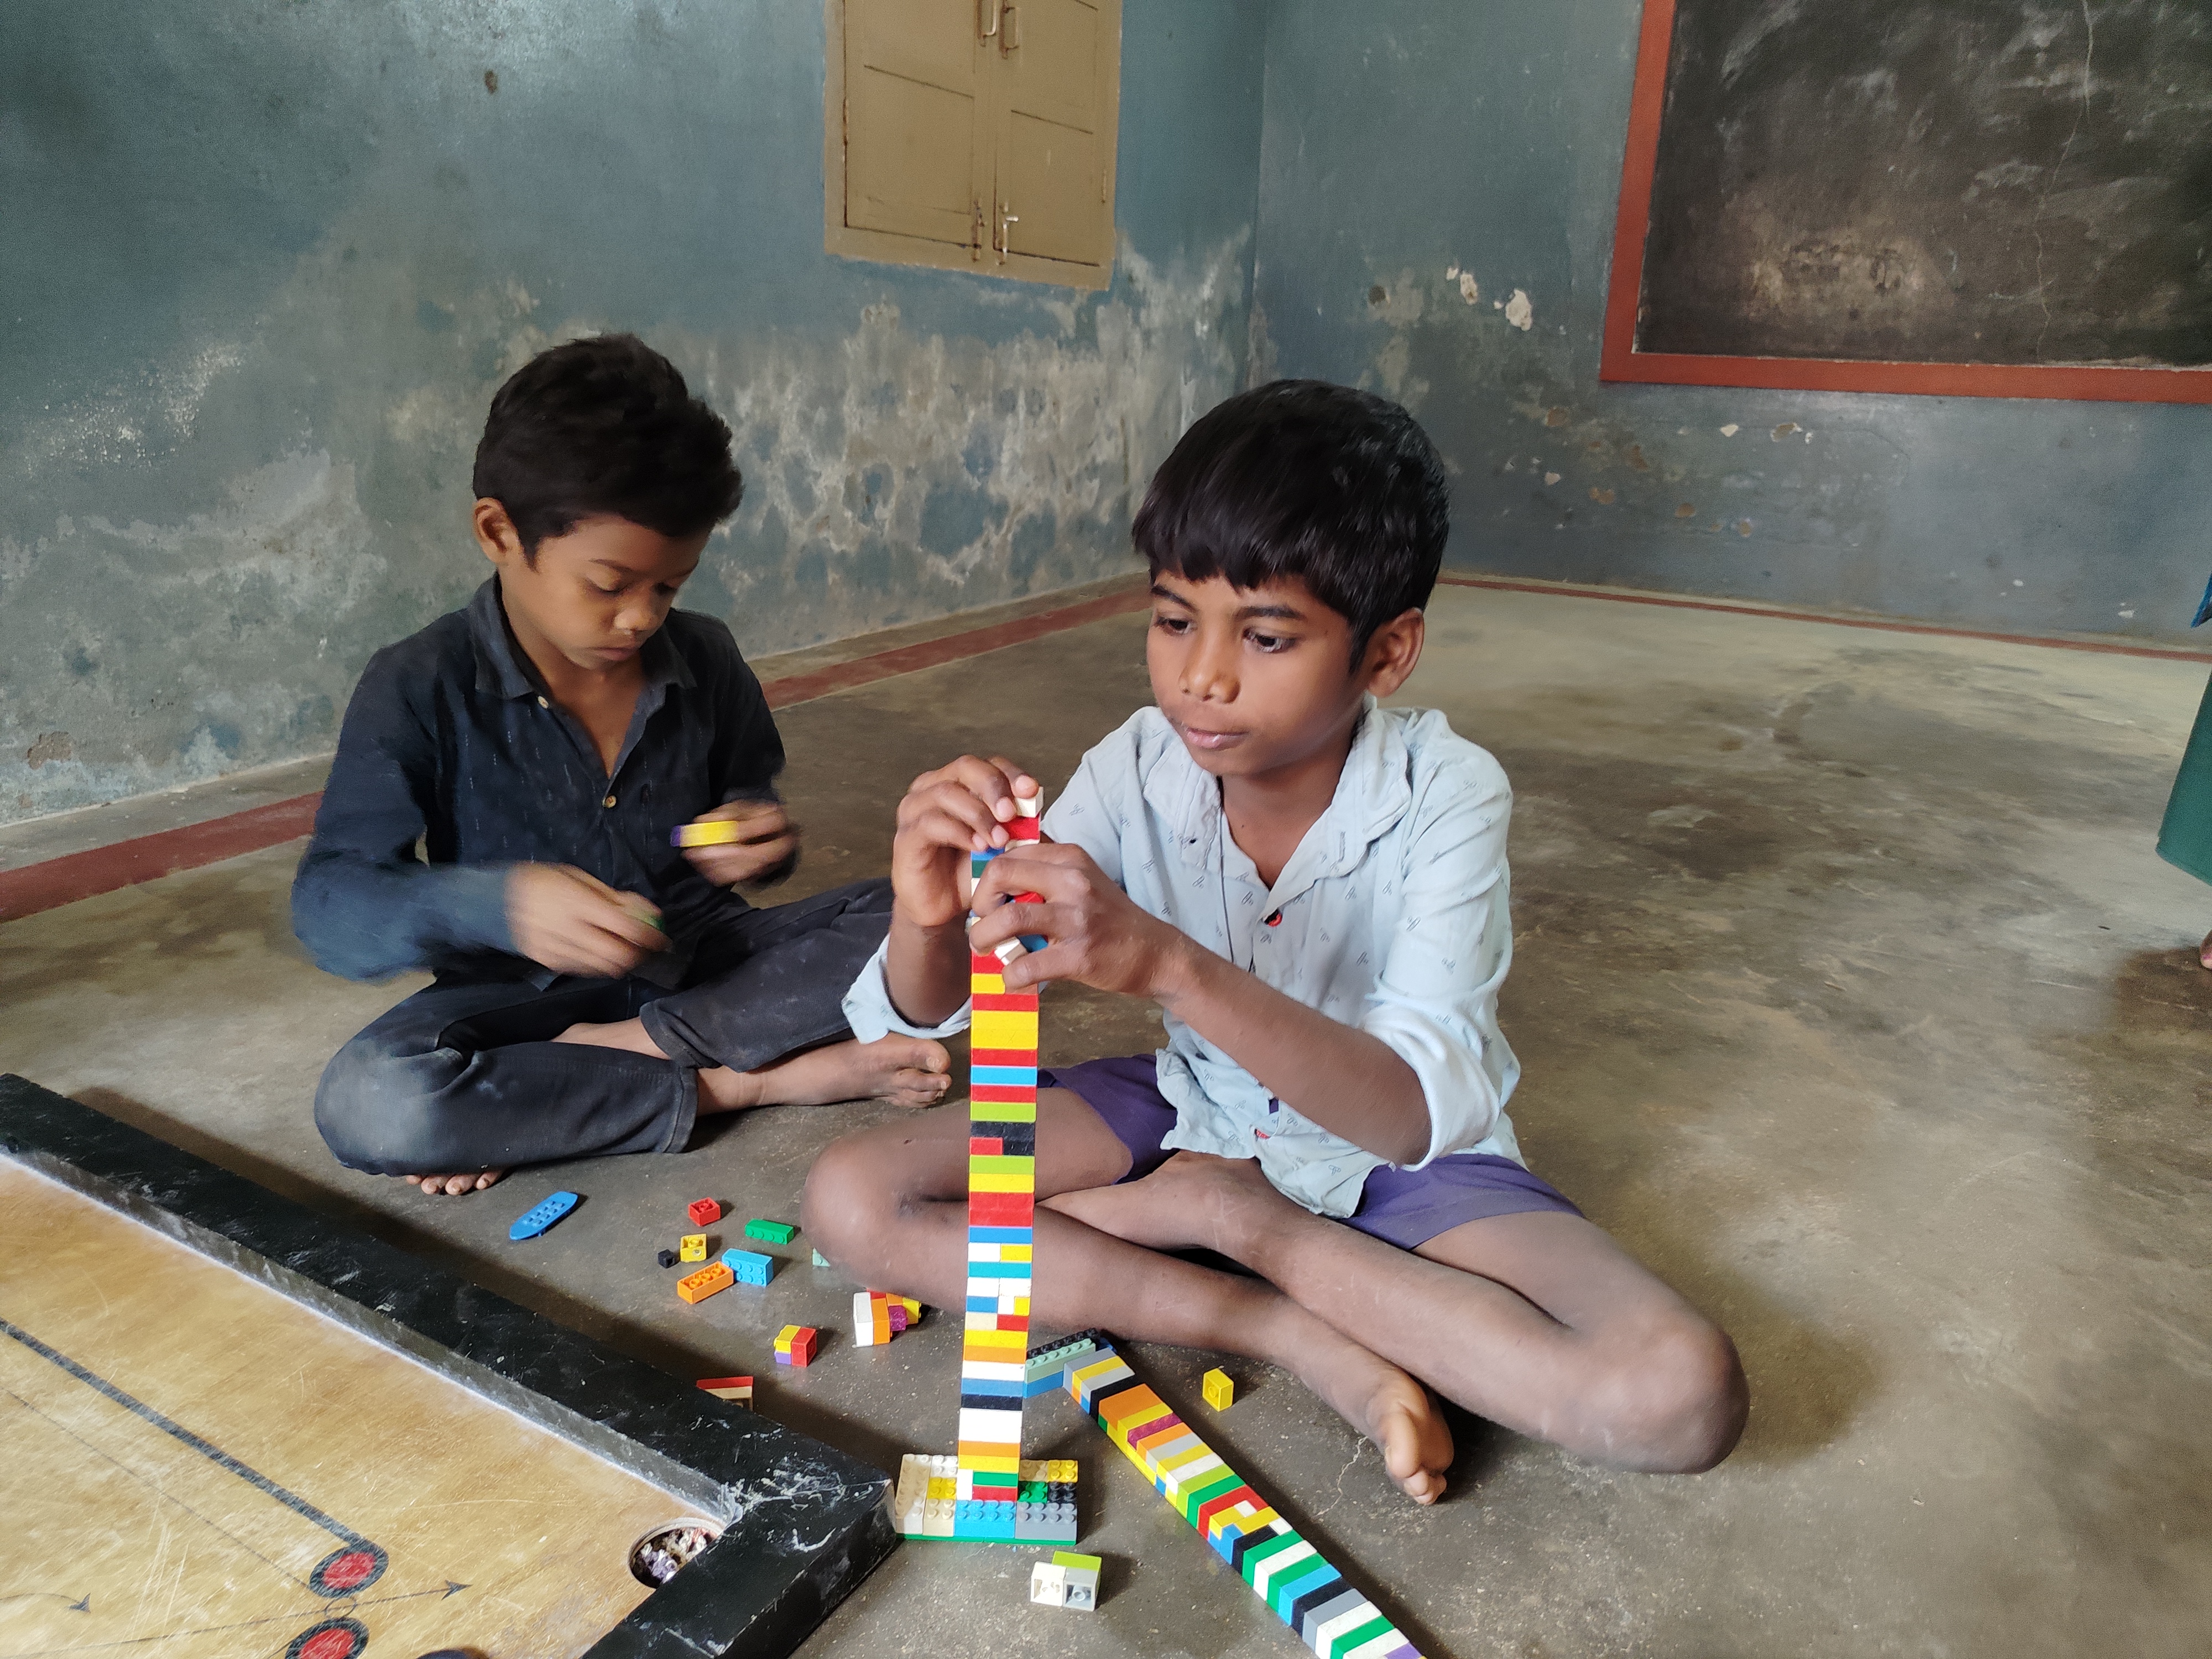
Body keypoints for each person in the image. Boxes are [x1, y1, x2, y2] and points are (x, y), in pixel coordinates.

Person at [802, 380, 1747, 1501]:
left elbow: (1404, 1114)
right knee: (853, 1198)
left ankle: (1242, 1226)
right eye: (1171, 619)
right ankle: (1280, 1325)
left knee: (1670, 1394)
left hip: (1398, 1158)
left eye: (1263, 634)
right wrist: (928, 914)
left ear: (1385, 654)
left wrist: (1166, 968)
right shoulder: (1140, 762)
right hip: (1190, 1101)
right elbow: (934, 1012)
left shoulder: (1445, 796)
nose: (1199, 676)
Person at [294, 335, 950, 1197]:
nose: (641, 618)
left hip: (702, 958)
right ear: (499, 532)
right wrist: (501, 904)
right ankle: (751, 1082)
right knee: (373, 1101)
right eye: (608, 584)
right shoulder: (418, 683)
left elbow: (749, 795)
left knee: (953, 916)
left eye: (669, 587)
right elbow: (330, 904)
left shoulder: (705, 657)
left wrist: (756, 830)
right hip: (517, 1005)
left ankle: (596, 1077)